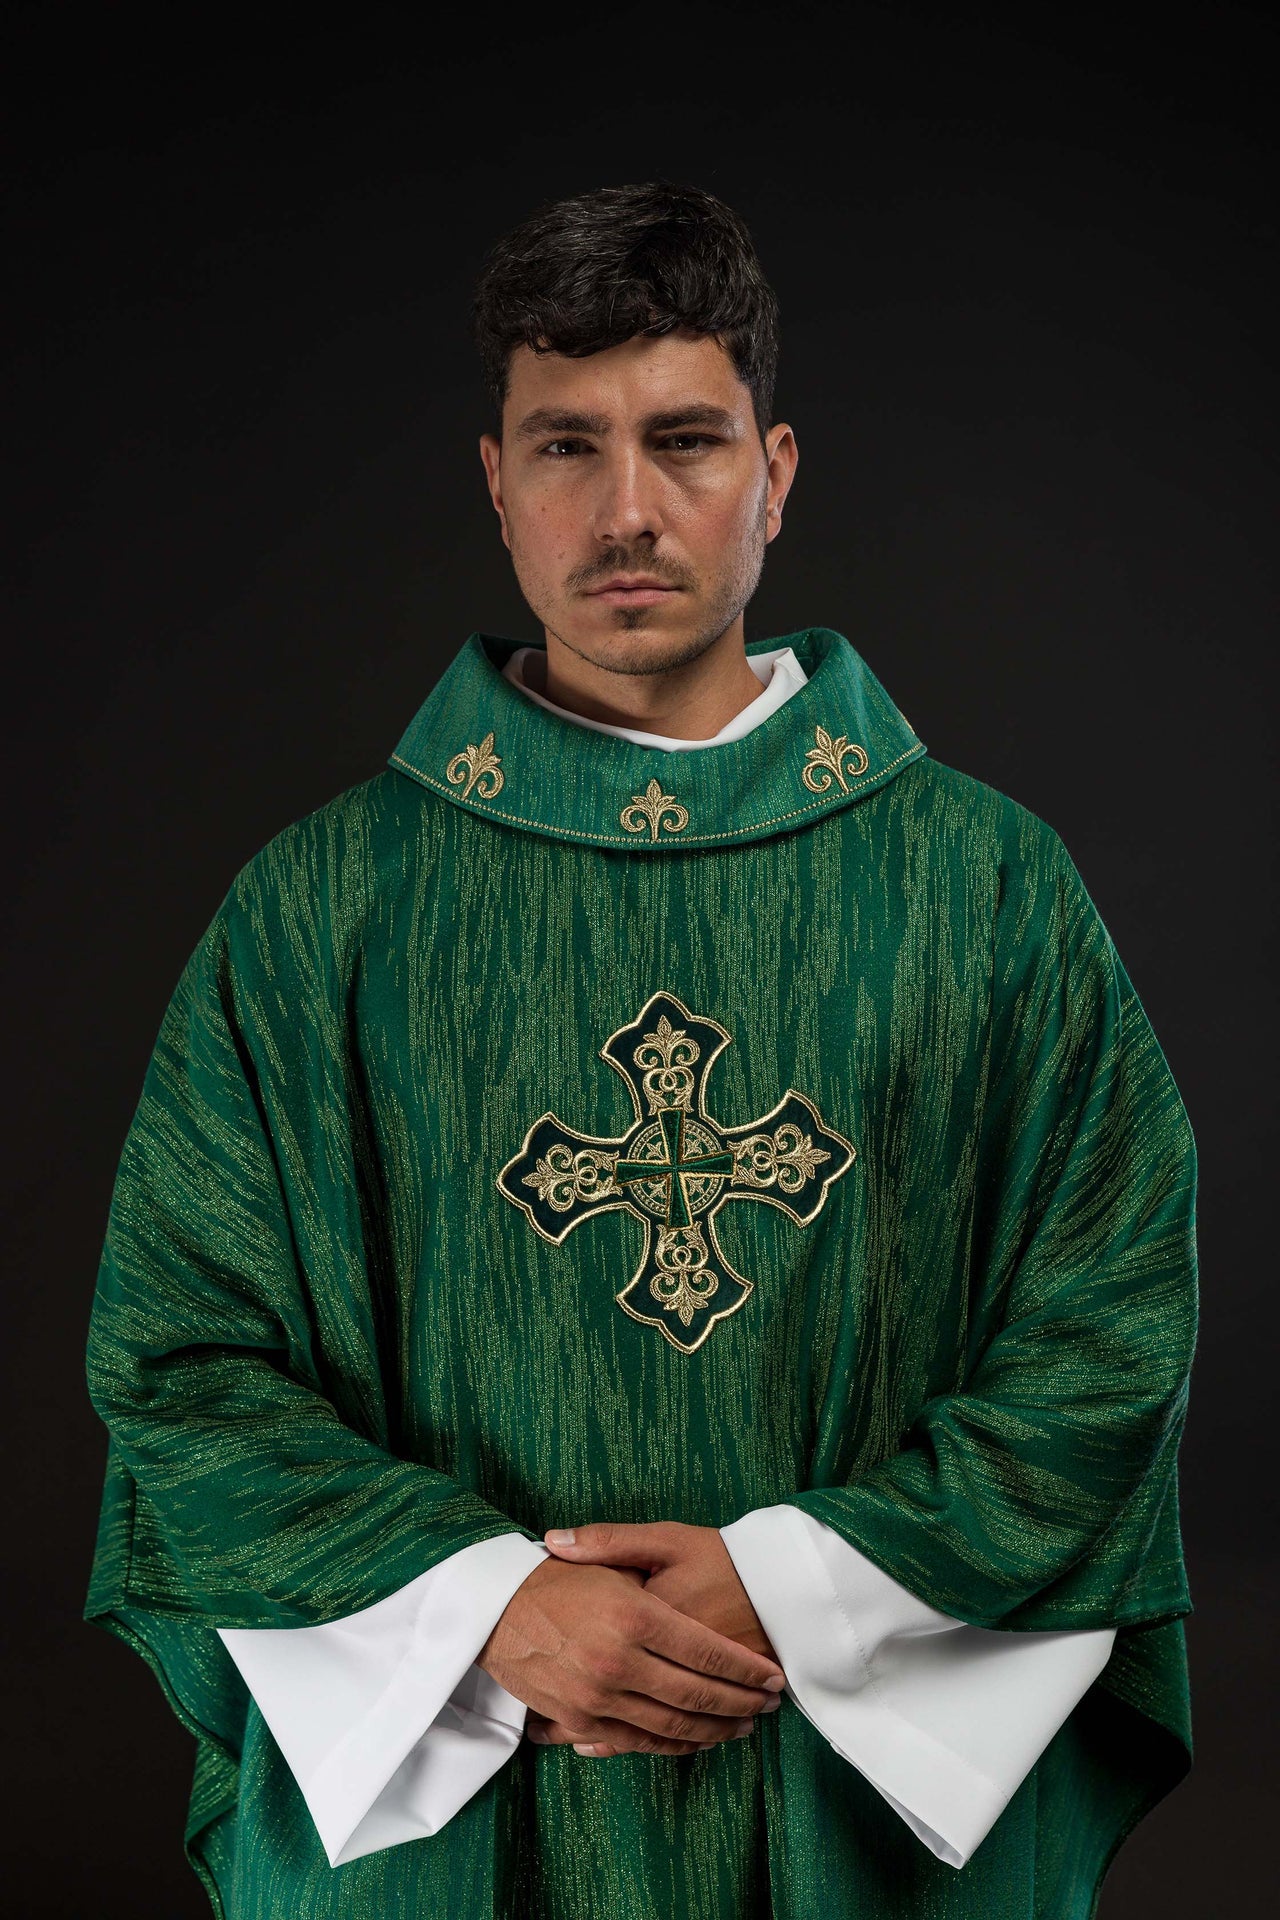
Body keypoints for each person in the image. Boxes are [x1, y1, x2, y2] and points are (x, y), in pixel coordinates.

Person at [83, 182, 1199, 1920]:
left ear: (776, 473)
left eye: (685, 441)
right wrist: (487, 1607)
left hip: (845, 1798)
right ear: (494, 482)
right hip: (468, 1800)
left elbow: (1109, 1332)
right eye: (565, 446)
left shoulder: (983, 888)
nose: (626, 510)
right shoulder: (325, 910)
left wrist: (799, 1585)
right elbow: (180, 1360)